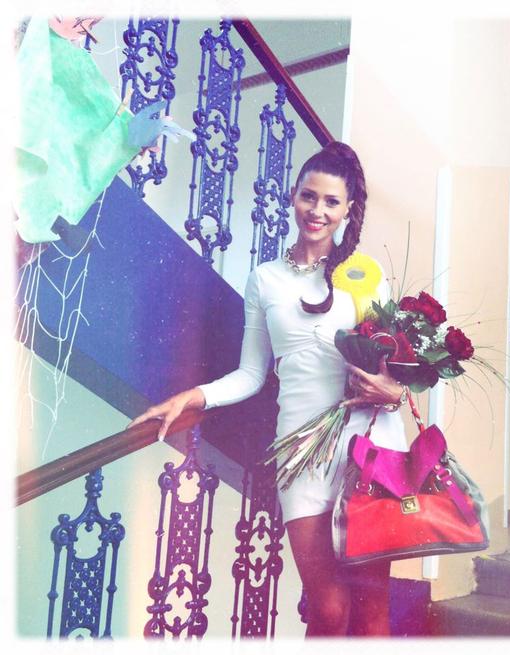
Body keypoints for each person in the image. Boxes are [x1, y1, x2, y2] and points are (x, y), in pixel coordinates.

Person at [128, 141, 408, 637]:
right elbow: (251, 374)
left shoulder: (366, 277)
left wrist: (395, 392)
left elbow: (392, 366)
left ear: (347, 210)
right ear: (293, 196)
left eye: (331, 202)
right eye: (309, 196)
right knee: (327, 608)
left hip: (370, 443)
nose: (317, 211)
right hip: (299, 451)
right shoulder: (265, 280)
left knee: (371, 608)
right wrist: (191, 397)